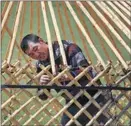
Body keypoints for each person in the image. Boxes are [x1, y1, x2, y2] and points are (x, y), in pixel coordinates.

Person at [20, 34, 111, 126]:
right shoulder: (41, 65)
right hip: (73, 101)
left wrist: (67, 76)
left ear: (41, 41)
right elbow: (43, 97)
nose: (36, 55)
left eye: (36, 49)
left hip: (94, 94)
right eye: (31, 54)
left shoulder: (67, 47)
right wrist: (42, 85)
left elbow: (87, 71)